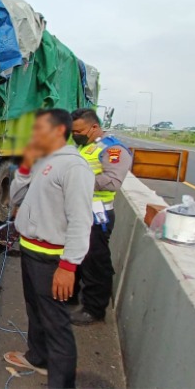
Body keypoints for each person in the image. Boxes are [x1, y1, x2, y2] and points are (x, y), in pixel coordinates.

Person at [4, 109, 94, 389]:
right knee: (35, 311)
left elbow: (81, 220)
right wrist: (25, 166)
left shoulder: (74, 167)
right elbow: (14, 198)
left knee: (56, 325)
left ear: (57, 131)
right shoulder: (44, 160)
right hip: (30, 249)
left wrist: (68, 267)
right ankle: (38, 357)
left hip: (52, 259)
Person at [68, 108, 132, 325]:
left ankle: (94, 309)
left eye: (79, 130)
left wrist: (78, 182)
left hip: (97, 214)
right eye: (73, 130)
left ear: (94, 127)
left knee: (95, 261)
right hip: (78, 211)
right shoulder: (83, 146)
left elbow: (113, 181)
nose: (75, 133)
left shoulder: (112, 149)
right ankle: (70, 296)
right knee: (75, 256)